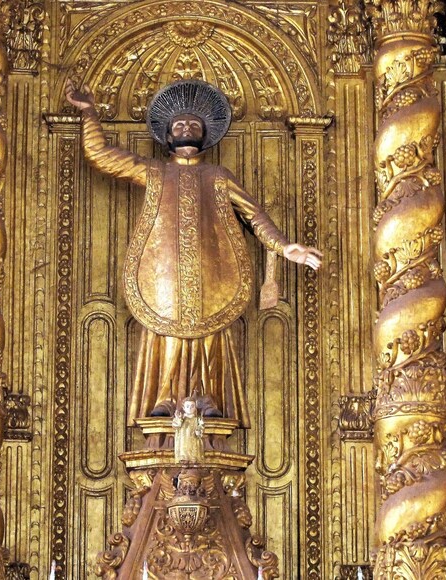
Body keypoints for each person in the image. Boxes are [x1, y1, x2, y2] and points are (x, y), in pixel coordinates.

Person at [65, 78, 322, 428]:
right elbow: (101, 157)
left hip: (211, 274)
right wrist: (89, 114)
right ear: (168, 135)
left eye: (193, 125)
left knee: (209, 331)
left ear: (205, 135)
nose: (186, 129)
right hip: (165, 274)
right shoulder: (154, 171)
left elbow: (253, 214)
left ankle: (206, 396)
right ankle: (165, 397)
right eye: (180, 125)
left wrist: (281, 245)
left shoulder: (218, 176)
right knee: (167, 327)